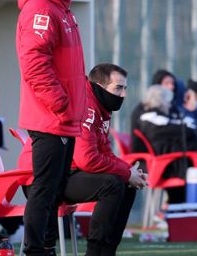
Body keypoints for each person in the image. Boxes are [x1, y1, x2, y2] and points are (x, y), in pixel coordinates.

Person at [16, 0, 87, 255]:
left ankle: (44, 247)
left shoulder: (59, 7)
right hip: (51, 119)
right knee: (44, 190)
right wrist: (60, 103)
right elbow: (33, 62)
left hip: (64, 119)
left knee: (54, 190)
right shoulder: (42, 9)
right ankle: (35, 250)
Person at [64, 63, 147, 256]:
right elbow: (87, 159)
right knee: (113, 184)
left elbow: (105, 151)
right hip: (48, 178)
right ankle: (94, 252)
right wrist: (126, 173)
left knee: (126, 185)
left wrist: (129, 172)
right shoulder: (86, 108)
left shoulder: (100, 107)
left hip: (71, 172)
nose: (124, 94)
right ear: (100, 87)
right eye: (118, 88)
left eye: (125, 88)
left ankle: (107, 252)